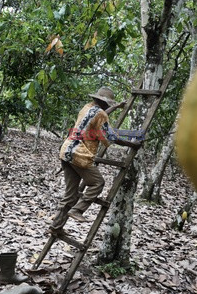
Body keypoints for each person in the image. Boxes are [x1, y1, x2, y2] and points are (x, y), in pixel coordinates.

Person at [49, 87, 142, 234]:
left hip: (66, 150)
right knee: (98, 183)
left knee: (70, 194)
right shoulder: (101, 114)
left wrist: (116, 106)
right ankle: (77, 210)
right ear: (104, 103)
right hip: (79, 154)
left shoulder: (87, 107)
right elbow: (111, 136)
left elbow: (99, 117)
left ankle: (56, 227)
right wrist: (132, 144)